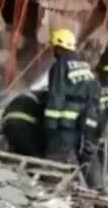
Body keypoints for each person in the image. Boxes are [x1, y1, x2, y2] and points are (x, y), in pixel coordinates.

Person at [43, 28, 104, 191]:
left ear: (58, 47)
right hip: (89, 120)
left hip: (68, 121)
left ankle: (48, 186)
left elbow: (57, 94)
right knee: (88, 153)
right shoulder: (84, 67)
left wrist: (50, 123)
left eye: (54, 47)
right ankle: (98, 187)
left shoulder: (60, 65)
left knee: (57, 152)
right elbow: (96, 92)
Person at [2, 90, 47, 157]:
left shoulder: (22, 97)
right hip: (24, 123)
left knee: (17, 146)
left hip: (8, 122)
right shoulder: (44, 101)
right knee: (33, 152)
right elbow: (43, 124)